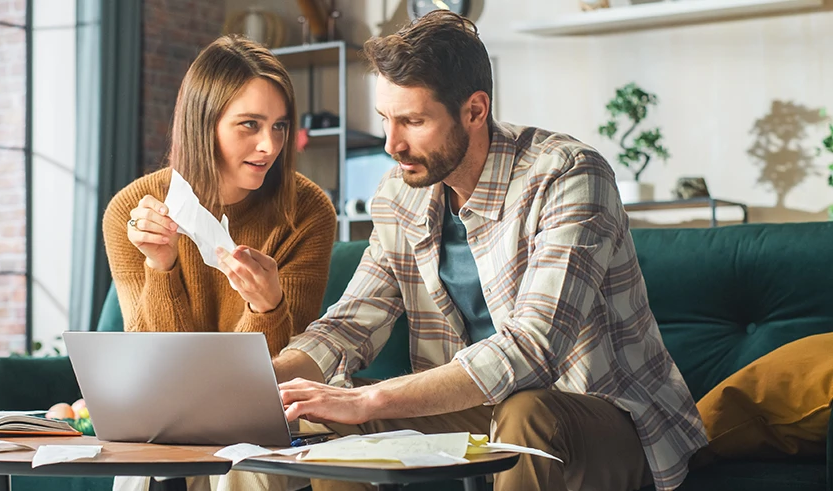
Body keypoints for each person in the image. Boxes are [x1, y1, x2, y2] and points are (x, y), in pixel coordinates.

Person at [271, 11, 707, 491]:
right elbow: (350, 324)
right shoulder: (400, 193)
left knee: (527, 413)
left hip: (603, 416)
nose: (392, 144)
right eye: (385, 120)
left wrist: (371, 400)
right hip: (478, 414)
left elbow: (535, 348)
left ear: (475, 110)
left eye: (413, 121)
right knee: (332, 421)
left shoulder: (568, 175)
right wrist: (263, 383)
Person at [103, 35, 336, 358]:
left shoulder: (308, 210)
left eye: (279, 126)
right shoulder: (131, 211)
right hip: (167, 405)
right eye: (250, 124)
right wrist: (160, 266)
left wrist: (267, 307)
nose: (270, 146)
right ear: (203, 125)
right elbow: (154, 365)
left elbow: (286, 372)